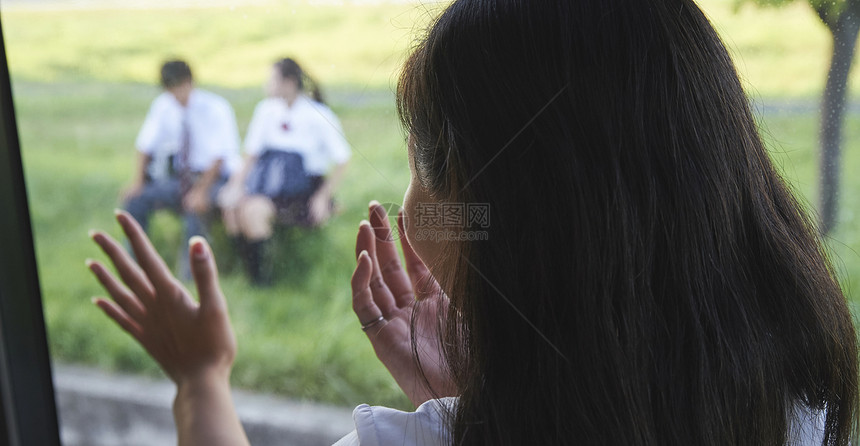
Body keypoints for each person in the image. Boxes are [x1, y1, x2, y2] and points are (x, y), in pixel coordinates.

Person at [86, 0, 859, 444]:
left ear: (506, 224)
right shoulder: (798, 397)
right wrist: (483, 394)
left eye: (424, 163)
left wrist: (199, 383)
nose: (410, 201)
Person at [218, 57, 351, 286]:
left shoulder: (317, 114)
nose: (266, 85)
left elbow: (342, 159)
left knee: (253, 212)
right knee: (232, 208)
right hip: (268, 183)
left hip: (303, 190)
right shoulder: (266, 110)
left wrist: (323, 197)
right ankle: (246, 271)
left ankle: (262, 281)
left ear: (288, 82)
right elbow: (251, 154)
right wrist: (235, 185)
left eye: (272, 79)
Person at [121, 60, 241, 280]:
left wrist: (201, 191)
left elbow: (220, 158)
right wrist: (137, 181)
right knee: (135, 201)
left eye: (179, 87)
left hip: (214, 180)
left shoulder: (215, 108)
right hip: (180, 179)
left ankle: (192, 275)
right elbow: (144, 146)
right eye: (171, 89)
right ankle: (136, 267)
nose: (176, 95)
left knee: (195, 208)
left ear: (190, 83)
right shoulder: (164, 106)